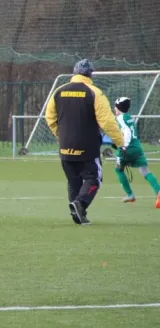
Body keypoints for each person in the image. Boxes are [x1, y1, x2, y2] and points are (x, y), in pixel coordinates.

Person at [45, 59, 124, 225]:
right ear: (90, 74)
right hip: (87, 147)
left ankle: (77, 214)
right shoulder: (94, 92)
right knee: (94, 178)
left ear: (74, 73)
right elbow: (107, 121)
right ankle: (80, 205)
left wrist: (61, 135)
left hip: (65, 146)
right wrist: (120, 141)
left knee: (73, 181)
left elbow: (50, 117)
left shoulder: (59, 91)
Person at [113, 97, 160, 208]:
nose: (114, 108)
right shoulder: (129, 117)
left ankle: (130, 195)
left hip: (127, 148)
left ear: (118, 108)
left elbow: (127, 132)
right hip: (137, 148)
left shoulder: (120, 118)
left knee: (118, 169)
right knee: (145, 171)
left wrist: (124, 146)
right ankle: (158, 192)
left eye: (115, 106)